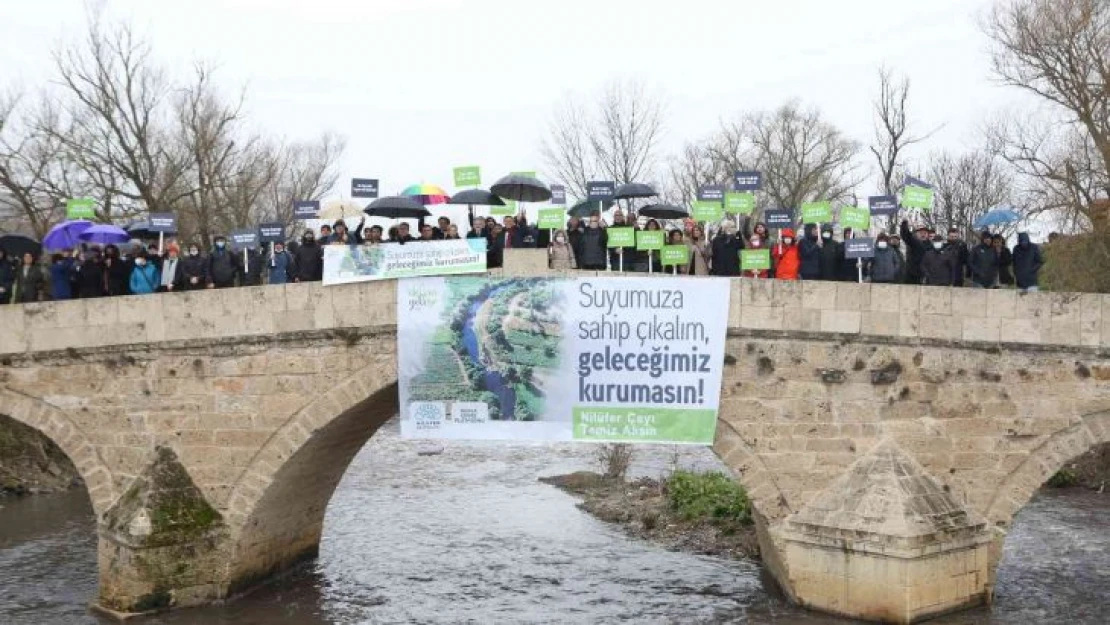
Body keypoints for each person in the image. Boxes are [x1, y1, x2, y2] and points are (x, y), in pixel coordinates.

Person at [899, 220, 930, 285]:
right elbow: (906, 236)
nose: (923, 235)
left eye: (925, 233)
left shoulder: (931, 246)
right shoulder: (914, 243)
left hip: (928, 279)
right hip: (912, 278)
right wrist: (904, 225)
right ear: (916, 234)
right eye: (921, 233)